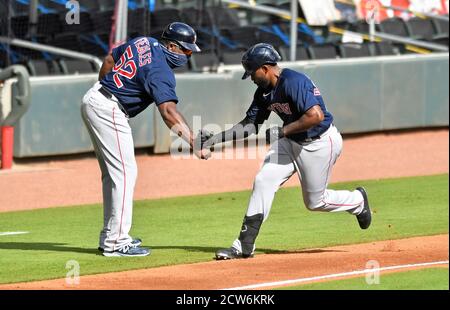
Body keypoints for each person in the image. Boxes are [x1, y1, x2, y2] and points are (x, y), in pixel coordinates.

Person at [202, 43, 372, 260]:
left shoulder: (293, 81)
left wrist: (283, 130)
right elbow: (249, 125)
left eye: (252, 72)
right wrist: (215, 139)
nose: (251, 78)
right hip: (290, 141)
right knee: (263, 180)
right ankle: (244, 246)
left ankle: (357, 200)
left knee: (315, 202)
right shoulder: (263, 92)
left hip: (318, 142)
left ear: (264, 68)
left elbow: (316, 116)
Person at [81, 22, 210, 257]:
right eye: (186, 50)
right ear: (171, 46)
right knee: (124, 174)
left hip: (94, 98)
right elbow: (168, 112)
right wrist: (194, 142)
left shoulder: (145, 42)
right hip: (108, 108)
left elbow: (110, 60)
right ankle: (117, 242)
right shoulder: (161, 71)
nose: (188, 55)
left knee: (114, 175)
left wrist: (104, 87)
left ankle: (111, 235)